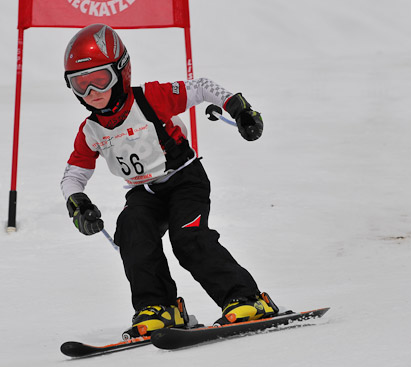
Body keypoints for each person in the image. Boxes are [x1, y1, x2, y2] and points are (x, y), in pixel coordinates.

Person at [60, 24, 278, 338]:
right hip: (143, 192)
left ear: (122, 72)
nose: (92, 93)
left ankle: (246, 299)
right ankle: (159, 307)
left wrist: (239, 108)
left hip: (184, 180)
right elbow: (74, 174)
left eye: (100, 80)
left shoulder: (150, 98)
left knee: (187, 239)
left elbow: (201, 87)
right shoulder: (91, 131)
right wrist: (77, 203)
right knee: (132, 233)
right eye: (81, 84)